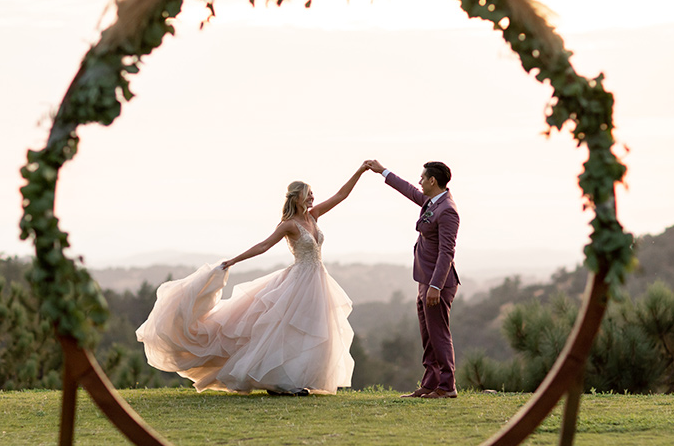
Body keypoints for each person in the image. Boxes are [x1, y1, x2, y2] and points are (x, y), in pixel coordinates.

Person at [135, 164, 369, 395]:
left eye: (312, 195)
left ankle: (295, 379)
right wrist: (234, 260)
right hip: (299, 281)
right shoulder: (289, 225)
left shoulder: (314, 216)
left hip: (318, 281)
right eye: (308, 195)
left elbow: (341, 195)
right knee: (284, 331)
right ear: (297, 198)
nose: (312, 198)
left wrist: (360, 171)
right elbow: (264, 245)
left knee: (311, 331)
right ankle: (281, 383)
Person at [364, 159, 460, 398]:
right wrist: (382, 171)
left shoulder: (447, 210)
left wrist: (436, 286)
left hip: (438, 283)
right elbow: (408, 189)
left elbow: (447, 252)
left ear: (432, 180)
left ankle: (447, 387)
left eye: (422, 177)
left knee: (439, 334)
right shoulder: (431, 201)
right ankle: (430, 384)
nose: (419, 181)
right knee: (427, 335)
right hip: (424, 280)